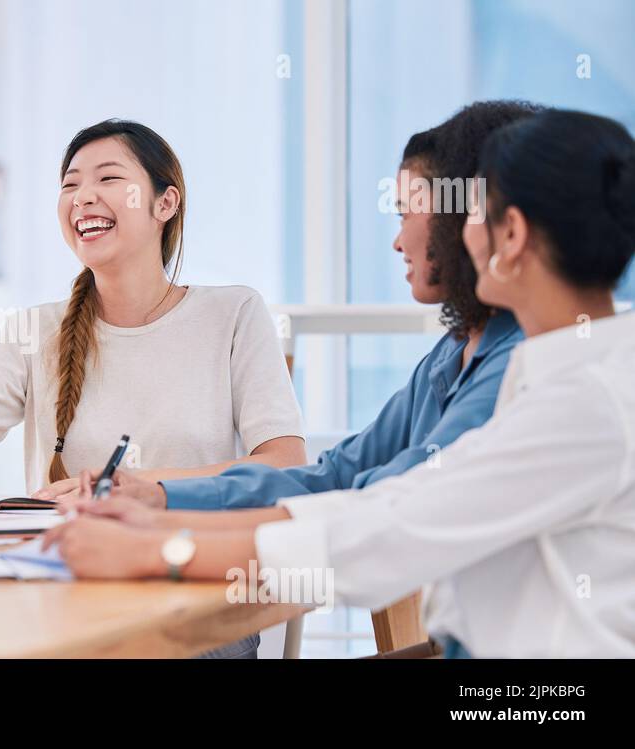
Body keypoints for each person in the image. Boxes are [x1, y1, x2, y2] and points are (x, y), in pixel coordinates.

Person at [46, 109, 635, 658]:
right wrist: (161, 512)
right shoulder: (549, 370)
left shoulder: (582, 400)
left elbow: (391, 525)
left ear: (509, 236)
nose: (453, 234)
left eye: (469, 213)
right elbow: (358, 487)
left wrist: (160, 546)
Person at [42, 101, 542, 509]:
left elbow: (391, 505)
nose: (396, 242)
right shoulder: (449, 358)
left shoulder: (522, 367)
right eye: (70, 183)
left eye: (406, 213)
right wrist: (160, 494)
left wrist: (168, 541)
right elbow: (338, 473)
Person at [0, 119, 305, 497]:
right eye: (70, 184)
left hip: (192, 554)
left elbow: (284, 466)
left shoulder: (234, 314)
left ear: (165, 204)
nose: (83, 197)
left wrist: (137, 487)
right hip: (69, 559)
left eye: (109, 178)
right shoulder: (34, 330)